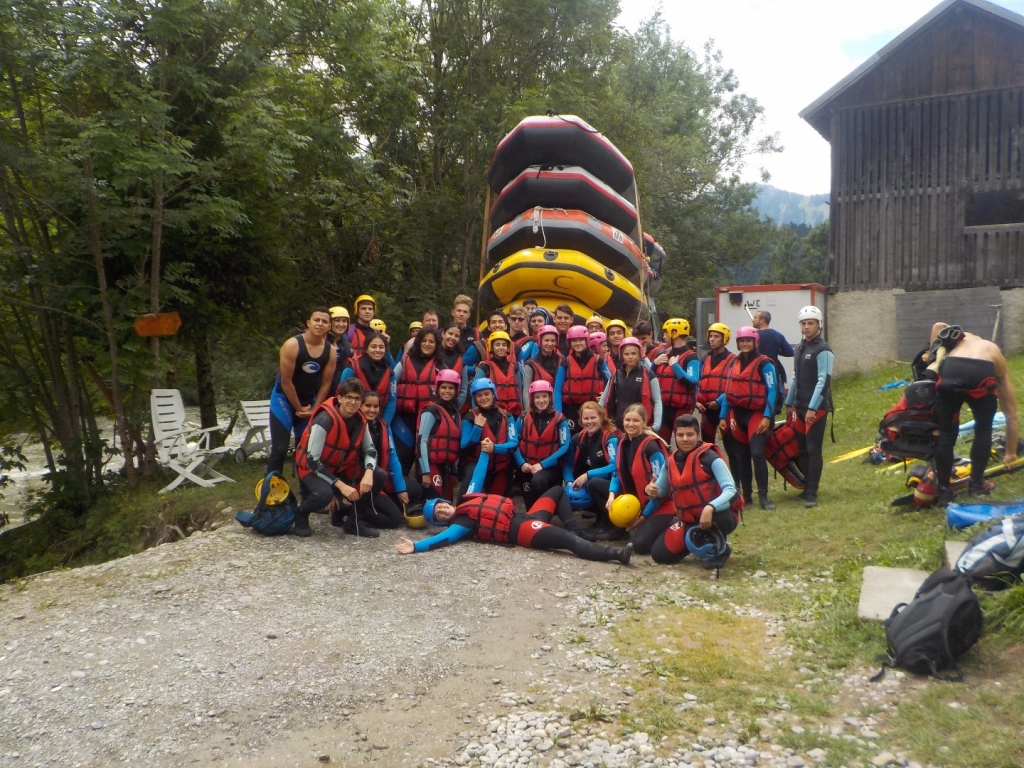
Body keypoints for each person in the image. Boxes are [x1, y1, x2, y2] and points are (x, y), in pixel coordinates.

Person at [394, 482, 631, 564]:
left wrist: (486, 450)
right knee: (568, 542)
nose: (444, 510)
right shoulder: (461, 523)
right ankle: (617, 554)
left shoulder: (468, 499)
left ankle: (577, 528)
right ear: (440, 521)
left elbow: (478, 472)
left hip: (528, 516)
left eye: (442, 505)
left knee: (557, 491)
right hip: (524, 531)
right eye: (440, 514)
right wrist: (416, 546)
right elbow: (441, 540)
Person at [925, 321, 1019, 506]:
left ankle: (944, 491)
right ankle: (977, 485)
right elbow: (1011, 414)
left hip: (951, 370)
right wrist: (1010, 453)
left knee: (946, 433)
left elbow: (937, 325)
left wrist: (931, 352)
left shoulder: (960, 338)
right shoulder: (994, 353)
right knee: (983, 428)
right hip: (980, 374)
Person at [293, 378, 388, 538]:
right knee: (324, 494)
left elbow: (370, 450)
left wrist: (369, 472)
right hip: (313, 469)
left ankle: (353, 522)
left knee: (379, 475)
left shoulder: (360, 420)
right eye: (349, 397)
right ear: (340, 398)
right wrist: (341, 486)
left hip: (340, 468)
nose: (353, 402)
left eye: (357, 398)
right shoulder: (324, 420)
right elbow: (312, 461)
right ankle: (301, 514)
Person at [644, 414, 740, 565]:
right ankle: (698, 541)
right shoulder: (671, 461)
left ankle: (720, 549)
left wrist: (710, 508)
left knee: (717, 519)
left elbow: (731, 490)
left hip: (718, 516)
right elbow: (660, 492)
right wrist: (650, 491)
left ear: (698, 435)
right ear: (675, 436)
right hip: (689, 520)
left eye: (690, 435)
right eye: (680, 435)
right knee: (659, 555)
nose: (685, 439)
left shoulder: (710, 458)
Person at [267, 307, 337, 475]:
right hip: (283, 399)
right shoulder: (292, 345)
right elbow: (286, 382)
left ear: (329, 326)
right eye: (316, 320)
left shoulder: (331, 352)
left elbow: (325, 384)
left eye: (324, 321)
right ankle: (269, 493)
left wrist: (315, 409)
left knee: (306, 448)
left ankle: (306, 490)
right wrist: (298, 408)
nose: (320, 324)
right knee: (280, 448)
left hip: (309, 401)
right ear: (308, 323)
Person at [719, 326, 778, 510]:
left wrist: (767, 417)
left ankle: (764, 497)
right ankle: (746, 496)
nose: (745, 344)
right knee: (741, 455)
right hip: (737, 413)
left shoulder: (764, 364)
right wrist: (723, 416)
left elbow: (772, 390)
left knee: (757, 453)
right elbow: (729, 392)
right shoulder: (734, 363)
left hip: (757, 414)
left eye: (748, 341)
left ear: (755, 342)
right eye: (742, 341)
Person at [783, 306, 834, 509]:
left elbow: (824, 380)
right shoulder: (800, 348)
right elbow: (795, 376)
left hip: (816, 408)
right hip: (799, 406)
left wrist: (812, 407)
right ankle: (806, 486)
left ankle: (812, 491)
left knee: (813, 449)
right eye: (804, 324)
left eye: (810, 323)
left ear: (819, 325)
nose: (806, 327)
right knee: (801, 449)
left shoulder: (824, 350)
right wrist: (789, 402)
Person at [606, 404, 668, 555]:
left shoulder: (651, 447)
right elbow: (617, 473)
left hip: (657, 504)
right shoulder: (622, 441)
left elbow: (661, 489)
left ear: (644, 422)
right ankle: (618, 529)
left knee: (639, 546)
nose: (630, 424)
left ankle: (669, 526)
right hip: (634, 501)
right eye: (627, 420)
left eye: (636, 420)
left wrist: (642, 518)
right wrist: (611, 495)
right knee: (595, 485)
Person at [564, 401, 620, 539]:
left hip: (615, 485)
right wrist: (569, 482)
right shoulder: (578, 438)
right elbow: (567, 463)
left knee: (593, 482)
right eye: (586, 418)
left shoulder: (610, 437)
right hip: (593, 484)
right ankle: (600, 519)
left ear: (601, 417)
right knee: (588, 483)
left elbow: (615, 466)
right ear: (581, 420)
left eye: (593, 418)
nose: (589, 422)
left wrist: (588, 475)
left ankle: (615, 526)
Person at [360, 389, 421, 512]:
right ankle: (353, 510)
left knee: (416, 490)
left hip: (381, 476)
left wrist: (401, 489)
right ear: (360, 406)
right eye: (367, 405)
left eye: (375, 406)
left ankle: (384, 505)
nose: (372, 410)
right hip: (362, 478)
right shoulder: (355, 426)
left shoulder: (383, 427)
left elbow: (393, 458)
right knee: (393, 519)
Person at [393, 328, 442, 475]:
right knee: (403, 458)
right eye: (424, 340)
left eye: (431, 341)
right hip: (404, 418)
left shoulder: (441, 366)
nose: (427, 344)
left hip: (428, 420)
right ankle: (400, 493)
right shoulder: (404, 363)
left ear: (437, 344)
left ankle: (423, 493)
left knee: (424, 460)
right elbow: (390, 384)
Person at [459, 378, 519, 497]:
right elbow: (464, 445)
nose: (483, 398)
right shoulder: (469, 418)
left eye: (487, 394)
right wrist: (477, 427)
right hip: (476, 466)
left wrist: (493, 448)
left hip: (500, 468)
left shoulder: (507, 417)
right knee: (470, 495)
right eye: (479, 395)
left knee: (498, 504)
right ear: (474, 398)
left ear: (493, 395)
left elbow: (513, 443)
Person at [515, 380, 571, 507]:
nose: (541, 400)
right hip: (527, 467)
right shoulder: (523, 418)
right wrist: (522, 463)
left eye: (545, 396)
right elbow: (514, 443)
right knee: (530, 508)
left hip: (549, 468)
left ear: (550, 397)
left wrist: (542, 465)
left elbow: (564, 446)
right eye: (537, 397)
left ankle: (550, 508)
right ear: (532, 399)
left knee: (538, 480)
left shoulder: (559, 419)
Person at [416, 369, 463, 500]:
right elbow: (421, 441)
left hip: (446, 467)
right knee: (437, 504)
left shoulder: (455, 413)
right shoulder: (431, 410)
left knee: (447, 504)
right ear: (438, 389)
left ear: (456, 390)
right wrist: (425, 472)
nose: (447, 391)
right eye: (443, 387)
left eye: (451, 388)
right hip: (430, 466)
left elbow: (452, 446)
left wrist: (453, 471)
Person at [651, 318, 700, 442]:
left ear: (674, 333)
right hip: (663, 408)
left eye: (666, 332)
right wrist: (654, 364)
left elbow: (692, 382)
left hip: (681, 409)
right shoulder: (663, 355)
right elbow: (649, 378)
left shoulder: (691, 357)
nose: (663, 335)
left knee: (684, 443)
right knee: (661, 443)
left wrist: (675, 366)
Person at [601, 336, 662, 433]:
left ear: (639, 354)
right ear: (622, 356)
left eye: (633, 353)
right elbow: (603, 400)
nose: (630, 357)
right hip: (619, 427)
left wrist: (656, 426)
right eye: (626, 354)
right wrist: (602, 421)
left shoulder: (649, 375)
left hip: (642, 427)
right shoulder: (616, 375)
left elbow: (658, 401)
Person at [555, 325, 610, 431]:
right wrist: (559, 415)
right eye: (574, 341)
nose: (578, 343)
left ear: (587, 341)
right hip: (571, 410)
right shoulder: (566, 362)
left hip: (593, 408)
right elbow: (557, 390)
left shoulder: (598, 360)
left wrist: (605, 395)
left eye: (581, 340)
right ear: (569, 342)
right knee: (572, 440)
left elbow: (612, 382)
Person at [340, 332, 395, 425]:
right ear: (366, 349)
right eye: (373, 346)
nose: (377, 350)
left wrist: (384, 424)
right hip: (353, 419)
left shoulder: (390, 373)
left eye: (381, 347)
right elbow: (341, 395)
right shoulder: (352, 368)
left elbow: (391, 400)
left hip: (378, 420)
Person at [696, 323, 734, 445]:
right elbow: (696, 382)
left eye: (716, 336)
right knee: (707, 445)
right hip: (707, 410)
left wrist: (718, 402)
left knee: (731, 447)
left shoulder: (733, 360)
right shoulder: (704, 359)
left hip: (725, 408)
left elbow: (734, 386)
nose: (712, 339)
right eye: (710, 336)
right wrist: (696, 401)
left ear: (725, 339)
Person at [751, 310, 794, 407]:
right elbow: (790, 352)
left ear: (762, 320)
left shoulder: (753, 336)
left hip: (756, 372)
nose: (752, 320)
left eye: (755, 318)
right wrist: (776, 350)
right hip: (774, 372)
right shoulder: (777, 335)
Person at [475, 331, 522, 417]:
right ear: (492, 347)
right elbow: (475, 392)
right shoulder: (485, 368)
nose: (501, 347)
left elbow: (520, 391)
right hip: (493, 414)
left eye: (504, 345)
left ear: (508, 347)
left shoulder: (515, 368)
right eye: (497, 345)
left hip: (514, 413)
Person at [521, 325, 563, 410]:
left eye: (553, 341)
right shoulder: (531, 364)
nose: (550, 344)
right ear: (540, 341)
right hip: (538, 406)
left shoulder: (562, 360)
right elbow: (526, 391)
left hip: (558, 405)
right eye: (546, 340)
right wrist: (528, 410)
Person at [437, 323, 470, 407]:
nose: (453, 338)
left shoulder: (460, 361)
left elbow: (463, 389)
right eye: (450, 334)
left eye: (456, 336)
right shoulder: (432, 355)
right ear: (443, 334)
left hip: (452, 407)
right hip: (432, 406)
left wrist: (455, 409)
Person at [329, 306, 353, 377]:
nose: (341, 324)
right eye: (337, 320)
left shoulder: (348, 346)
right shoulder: (320, 341)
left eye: (344, 321)